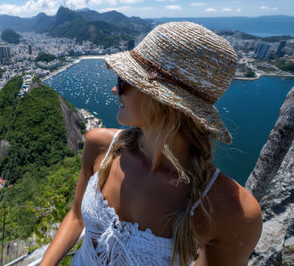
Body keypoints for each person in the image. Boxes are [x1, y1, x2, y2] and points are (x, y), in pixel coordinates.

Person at [41, 22, 262, 266]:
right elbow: (76, 218)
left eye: (125, 80)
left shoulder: (232, 211)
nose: (115, 89)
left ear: (162, 100)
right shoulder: (100, 146)